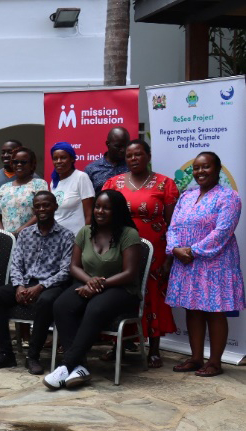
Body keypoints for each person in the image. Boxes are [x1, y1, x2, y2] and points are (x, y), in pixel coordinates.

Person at [47, 189, 143, 388]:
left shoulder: (129, 234)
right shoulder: (85, 231)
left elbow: (130, 273)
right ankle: (80, 367)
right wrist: (90, 282)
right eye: (98, 206)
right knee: (61, 305)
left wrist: (99, 284)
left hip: (122, 289)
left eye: (106, 208)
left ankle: (66, 365)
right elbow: (74, 266)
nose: (100, 211)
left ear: (116, 211)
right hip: (88, 284)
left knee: (95, 308)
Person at [165, 151, 245, 378]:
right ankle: (196, 357)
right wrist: (174, 248)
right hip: (187, 262)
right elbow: (173, 227)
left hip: (215, 263)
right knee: (193, 309)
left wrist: (193, 250)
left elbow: (223, 231)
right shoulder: (186, 196)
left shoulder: (229, 197)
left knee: (214, 312)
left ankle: (215, 362)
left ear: (218, 169)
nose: (200, 172)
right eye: (197, 168)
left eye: (206, 167)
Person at [103, 140, 179, 368]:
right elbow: (104, 216)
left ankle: (154, 348)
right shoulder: (113, 183)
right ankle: (120, 344)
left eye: (138, 154)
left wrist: (169, 256)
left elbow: (172, 223)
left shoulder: (165, 183)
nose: (133, 158)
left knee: (152, 295)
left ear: (148, 155)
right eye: (129, 155)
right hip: (120, 248)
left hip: (154, 250)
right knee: (121, 293)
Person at [0, 191, 74, 373]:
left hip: (51, 285)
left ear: (55, 206)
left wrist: (40, 287)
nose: (42, 209)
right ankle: (5, 354)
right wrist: (19, 286)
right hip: (25, 283)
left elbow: (66, 271)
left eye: (46, 205)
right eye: (38, 206)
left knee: (46, 300)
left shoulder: (66, 236)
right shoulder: (25, 235)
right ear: (33, 209)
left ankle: (33, 356)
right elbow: (16, 264)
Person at [0, 148, 48, 235]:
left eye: (23, 162)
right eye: (15, 162)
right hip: (8, 241)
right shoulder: (4, 188)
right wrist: (4, 235)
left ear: (32, 165)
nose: (19, 165)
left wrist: (18, 232)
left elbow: (42, 211)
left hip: (32, 237)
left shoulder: (39, 184)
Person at [49, 141, 95, 235]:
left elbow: (89, 214)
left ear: (72, 159)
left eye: (63, 158)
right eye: (55, 158)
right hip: (56, 238)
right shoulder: (54, 182)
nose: (58, 161)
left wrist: (85, 238)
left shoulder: (81, 177)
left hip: (76, 238)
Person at [84, 126, 129, 191]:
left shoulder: (131, 167)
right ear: (108, 144)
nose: (123, 150)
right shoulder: (92, 169)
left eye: (126, 146)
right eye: (118, 146)